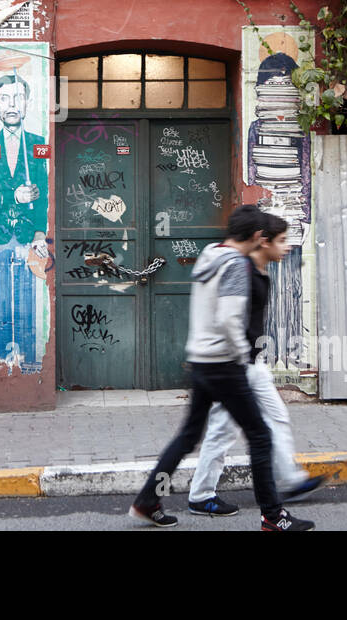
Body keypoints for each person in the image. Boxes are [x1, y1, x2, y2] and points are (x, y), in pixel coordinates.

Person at [129, 205, 315, 531]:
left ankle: (148, 500)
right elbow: (230, 319)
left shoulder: (210, 254)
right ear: (258, 236)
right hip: (224, 364)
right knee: (260, 436)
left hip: (200, 360)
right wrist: (243, 354)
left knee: (188, 437)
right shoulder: (235, 267)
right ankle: (273, 517)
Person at [187, 210, 329, 516]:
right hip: (236, 365)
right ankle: (201, 494)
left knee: (276, 417)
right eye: (281, 241)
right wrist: (235, 358)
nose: (288, 246)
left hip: (253, 363)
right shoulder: (242, 271)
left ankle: (290, 479)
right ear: (262, 242)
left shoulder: (260, 270)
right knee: (222, 430)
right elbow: (227, 320)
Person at [0, 72, 49, 368]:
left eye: (18, 97)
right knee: (1, 302)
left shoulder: (38, 143)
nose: (11, 104)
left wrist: (41, 233)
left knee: (27, 300)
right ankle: (0, 358)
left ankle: (28, 360)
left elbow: (42, 193)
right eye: (5, 98)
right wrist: (13, 196)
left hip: (29, 234)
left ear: (27, 102)